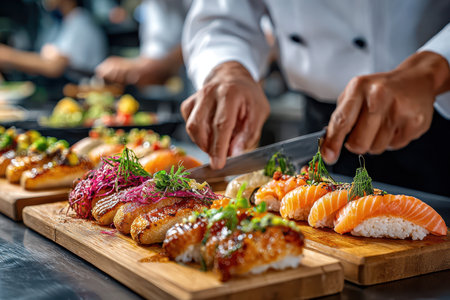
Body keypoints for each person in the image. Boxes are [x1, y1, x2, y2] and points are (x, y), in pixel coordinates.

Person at [180, 0, 450, 195]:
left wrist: (432, 70)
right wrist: (229, 68)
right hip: (322, 130)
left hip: (438, 117)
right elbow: (223, 15)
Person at [0, 0, 106, 79]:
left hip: (80, 97)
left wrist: (7, 56)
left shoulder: (80, 23)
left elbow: (55, 67)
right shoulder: (62, 23)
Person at [95, 0, 189, 86]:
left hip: (190, 84)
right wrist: (135, 68)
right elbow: (155, 51)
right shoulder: (150, 6)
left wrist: (136, 66)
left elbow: (195, 42)